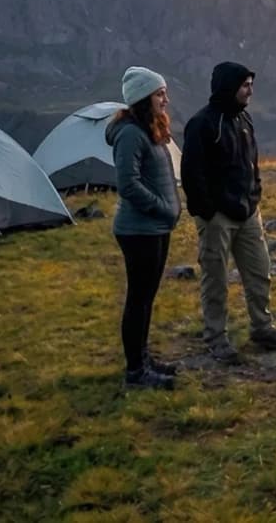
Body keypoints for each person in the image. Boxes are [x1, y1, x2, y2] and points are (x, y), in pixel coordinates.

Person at [181, 61, 276, 363]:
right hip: (217, 216)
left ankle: (262, 327)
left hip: (248, 212)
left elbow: (251, 162)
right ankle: (216, 338)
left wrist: (254, 194)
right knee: (215, 278)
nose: (250, 91)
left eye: (250, 85)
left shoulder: (244, 119)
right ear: (229, 87)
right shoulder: (203, 124)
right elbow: (192, 173)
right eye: (245, 85)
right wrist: (207, 210)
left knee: (259, 272)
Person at [106, 66, 182, 391]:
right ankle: (136, 372)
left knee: (146, 297)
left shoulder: (148, 128)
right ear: (142, 98)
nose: (165, 99)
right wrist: (164, 208)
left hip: (155, 227)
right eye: (159, 94)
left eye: (164, 92)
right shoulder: (130, 134)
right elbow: (129, 184)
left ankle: (143, 359)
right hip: (139, 230)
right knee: (138, 298)